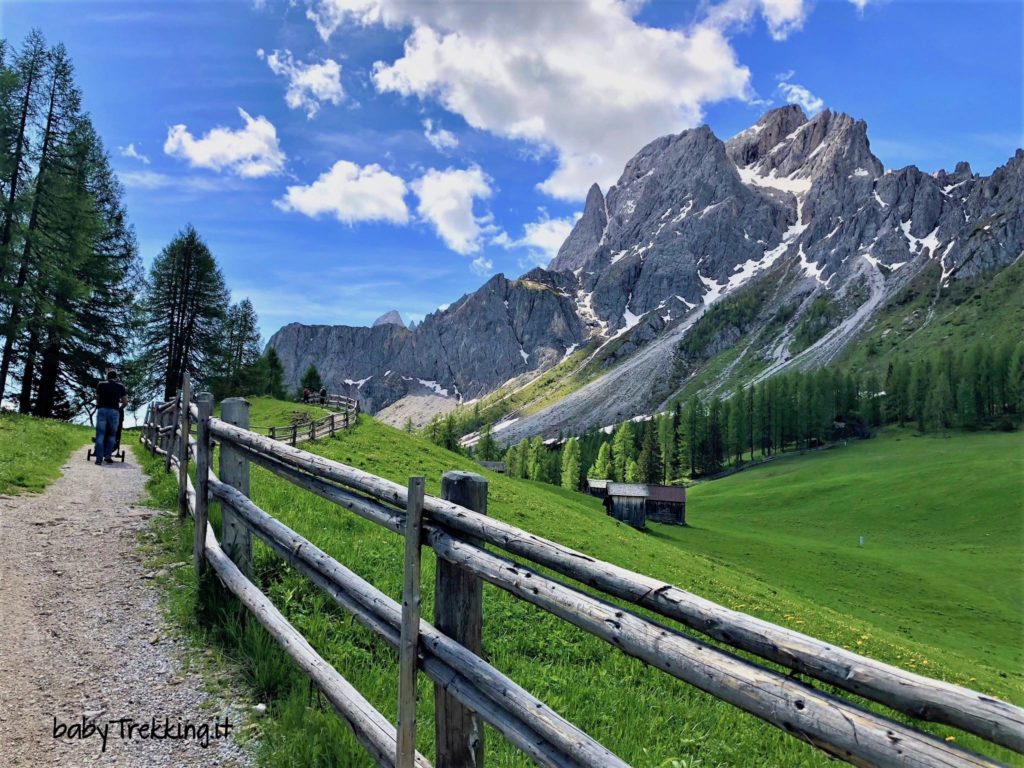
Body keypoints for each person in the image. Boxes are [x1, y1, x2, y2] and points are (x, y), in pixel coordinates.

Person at [95, 369, 128, 465]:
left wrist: (98, 404)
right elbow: (125, 401)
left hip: (102, 410)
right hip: (114, 411)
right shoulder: (120, 386)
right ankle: (108, 456)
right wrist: (120, 408)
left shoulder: (101, 384)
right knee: (112, 435)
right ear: (116, 377)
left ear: (107, 376)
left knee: (100, 434)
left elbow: (97, 397)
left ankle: (98, 459)